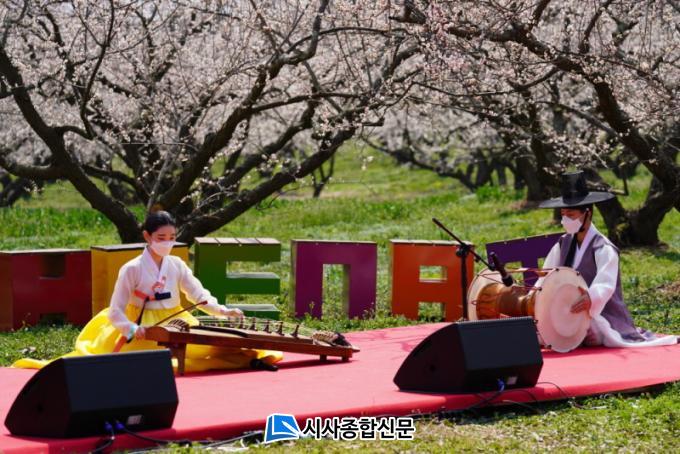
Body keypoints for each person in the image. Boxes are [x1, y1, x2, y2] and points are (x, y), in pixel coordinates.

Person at [13, 211, 282, 371]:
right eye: (161, 238)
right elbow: (116, 311)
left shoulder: (176, 264)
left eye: (172, 238)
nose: (167, 243)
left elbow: (198, 296)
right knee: (139, 363)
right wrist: (131, 329)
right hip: (141, 325)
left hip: (177, 321)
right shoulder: (131, 269)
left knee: (213, 349)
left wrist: (223, 311)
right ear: (147, 236)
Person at [539, 172, 677, 348]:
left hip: (600, 314)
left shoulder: (603, 247)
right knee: (540, 331)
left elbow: (606, 284)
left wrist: (590, 297)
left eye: (571, 215)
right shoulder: (562, 244)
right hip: (566, 310)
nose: (565, 219)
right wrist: (536, 296)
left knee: (592, 331)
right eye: (563, 214)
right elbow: (546, 276)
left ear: (587, 214)